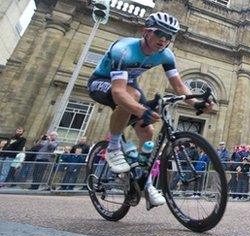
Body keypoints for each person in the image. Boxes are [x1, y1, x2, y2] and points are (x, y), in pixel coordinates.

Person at [87, 12, 213, 208]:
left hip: (129, 85)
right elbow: (119, 92)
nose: (164, 40)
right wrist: (141, 111)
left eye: (169, 37)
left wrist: (195, 103)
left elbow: (179, 86)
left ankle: (143, 182)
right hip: (102, 84)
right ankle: (112, 148)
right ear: (146, 32)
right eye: (160, 33)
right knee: (134, 98)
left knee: (148, 130)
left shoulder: (166, 55)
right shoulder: (124, 50)